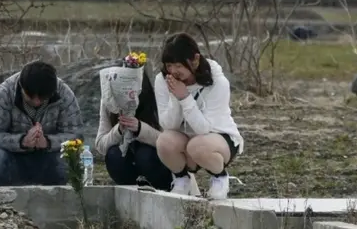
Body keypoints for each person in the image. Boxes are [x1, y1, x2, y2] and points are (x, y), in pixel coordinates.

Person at [154, 32, 244, 200]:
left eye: (179, 65)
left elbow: (204, 128)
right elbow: (168, 125)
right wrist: (176, 96)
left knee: (197, 145)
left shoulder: (218, 82)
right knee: (164, 140)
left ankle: (220, 177)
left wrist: (185, 98)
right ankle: (181, 179)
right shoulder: (163, 80)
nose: (173, 71)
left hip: (217, 139)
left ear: (195, 60)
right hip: (186, 139)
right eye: (169, 65)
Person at [0, 60, 83, 186]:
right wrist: (22, 141)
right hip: (12, 158)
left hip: (49, 157)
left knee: (68, 160)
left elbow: (76, 135)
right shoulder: (3, 94)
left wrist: (47, 142)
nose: (36, 102)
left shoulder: (64, 94)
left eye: (42, 98)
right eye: (30, 96)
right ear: (21, 86)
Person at [94, 62, 173, 191]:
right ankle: (128, 190)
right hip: (128, 163)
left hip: (158, 166)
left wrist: (140, 128)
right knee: (114, 155)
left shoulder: (155, 100)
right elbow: (101, 145)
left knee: (145, 154)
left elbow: (170, 143)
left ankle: (159, 189)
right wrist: (118, 130)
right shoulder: (108, 102)